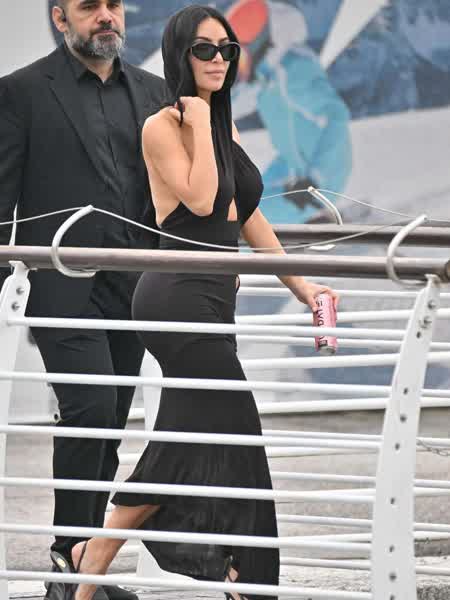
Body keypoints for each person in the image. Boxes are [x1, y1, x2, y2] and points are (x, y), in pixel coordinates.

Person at [64, 5, 339, 600]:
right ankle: (241, 576)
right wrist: (198, 118)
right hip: (175, 300)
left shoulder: (220, 127)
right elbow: (202, 198)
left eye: (227, 49)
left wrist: (302, 286)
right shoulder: (163, 125)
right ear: (179, 56)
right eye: (204, 49)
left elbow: (245, 216)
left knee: (189, 436)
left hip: (214, 302)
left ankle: (96, 556)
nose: (219, 59)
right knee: (233, 430)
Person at [0, 1, 166, 598]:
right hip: (60, 284)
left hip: (134, 285)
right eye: (89, 6)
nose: (105, 16)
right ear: (59, 18)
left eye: (113, 5)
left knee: (112, 417)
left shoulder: (154, 91)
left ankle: (83, 567)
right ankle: (65, 559)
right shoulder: (20, 92)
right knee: (89, 407)